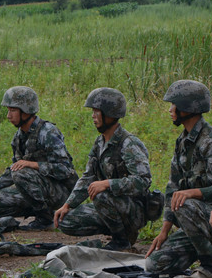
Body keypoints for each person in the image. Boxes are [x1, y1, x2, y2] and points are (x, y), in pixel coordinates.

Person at [145, 80, 212, 276]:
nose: (170, 110)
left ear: (187, 108)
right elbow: (172, 187)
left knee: (184, 202)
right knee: (154, 265)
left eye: (174, 105)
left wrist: (193, 193)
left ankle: (210, 264)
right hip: (197, 222)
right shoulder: (183, 141)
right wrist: (164, 230)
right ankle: (210, 253)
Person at [54, 88, 163, 249]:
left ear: (110, 114)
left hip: (133, 208)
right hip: (110, 205)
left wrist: (108, 184)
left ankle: (122, 241)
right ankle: (120, 231)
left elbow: (143, 181)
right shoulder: (99, 143)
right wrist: (68, 205)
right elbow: (88, 177)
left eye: (97, 112)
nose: (93, 116)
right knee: (66, 221)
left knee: (100, 194)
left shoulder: (129, 144)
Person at [0, 86, 77, 230]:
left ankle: (46, 219)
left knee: (21, 173)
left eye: (12, 110)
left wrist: (32, 165)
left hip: (60, 192)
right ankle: (41, 211)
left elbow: (65, 170)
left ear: (26, 111)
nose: (8, 116)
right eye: (8, 110)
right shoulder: (19, 136)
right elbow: (15, 167)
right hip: (37, 189)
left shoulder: (48, 132)